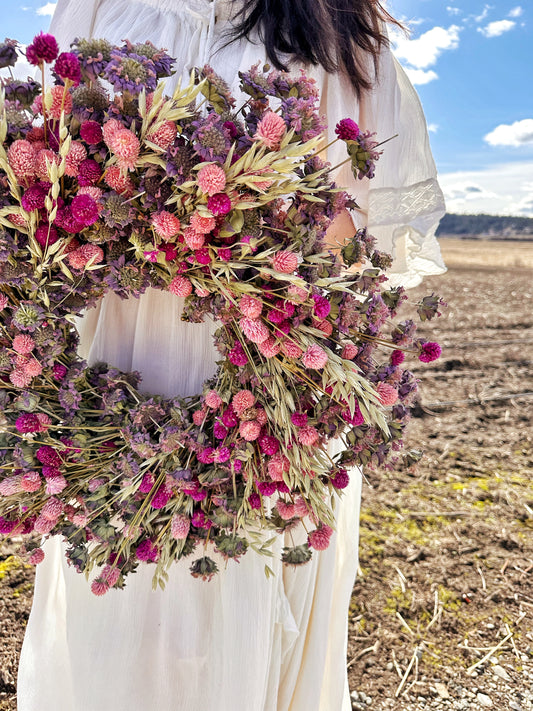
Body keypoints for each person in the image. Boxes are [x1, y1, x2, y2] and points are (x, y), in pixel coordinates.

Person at [17, 1, 446, 710]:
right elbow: (41, 188)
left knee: (239, 611)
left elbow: (354, 244)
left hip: (260, 397)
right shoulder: (102, 7)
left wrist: (224, 224)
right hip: (114, 383)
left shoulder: (333, 30)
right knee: (119, 634)